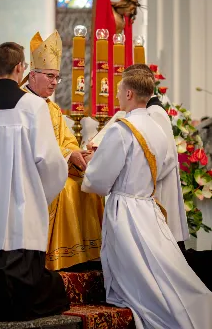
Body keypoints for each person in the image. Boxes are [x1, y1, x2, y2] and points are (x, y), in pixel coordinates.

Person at [82, 69, 212, 328]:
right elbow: (164, 167)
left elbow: (98, 179)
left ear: (129, 93)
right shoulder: (157, 127)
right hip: (149, 207)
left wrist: (88, 167)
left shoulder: (122, 130)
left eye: (119, 91)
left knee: (136, 274)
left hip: (126, 209)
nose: (118, 95)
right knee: (158, 266)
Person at [0, 42, 69, 320]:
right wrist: (37, 197)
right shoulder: (32, 107)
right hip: (21, 218)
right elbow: (52, 163)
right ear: (21, 68)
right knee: (48, 292)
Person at [20, 30, 104, 271]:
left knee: (88, 185)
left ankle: (85, 255)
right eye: (50, 76)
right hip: (34, 173)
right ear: (32, 75)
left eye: (57, 77)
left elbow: (66, 140)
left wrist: (78, 153)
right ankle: (58, 255)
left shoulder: (53, 108)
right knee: (67, 189)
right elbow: (35, 146)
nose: (55, 82)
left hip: (56, 166)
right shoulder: (23, 104)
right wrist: (68, 156)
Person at [125, 64, 189, 246]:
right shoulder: (148, 112)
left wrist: (138, 179)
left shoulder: (155, 113)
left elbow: (167, 157)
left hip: (159, 192)